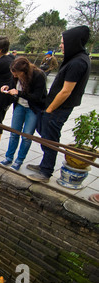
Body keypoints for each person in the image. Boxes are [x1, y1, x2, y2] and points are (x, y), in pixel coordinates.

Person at [27, 26, 91, 183]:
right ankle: (44, 165)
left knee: (50, 138)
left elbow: (66, 91)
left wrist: (49, 110)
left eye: (63, 43)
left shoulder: (78, 63)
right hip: (54, 107)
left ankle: (46, 172)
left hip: (58, 109)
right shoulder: (76, 59)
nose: (61, 46)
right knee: (44, 132)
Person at [0, 57, 47, 170]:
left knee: (26, 136)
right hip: (20, 106)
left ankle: (19, 160)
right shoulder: (15, 75)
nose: (14, 76)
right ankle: (9, 157)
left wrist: (19, 93)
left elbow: (37, 97)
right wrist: (8, 87)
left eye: (16, 74)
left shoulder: (38, 75)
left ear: (23, 72)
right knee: (14, 132)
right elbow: (13, 85)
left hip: (33, 108)